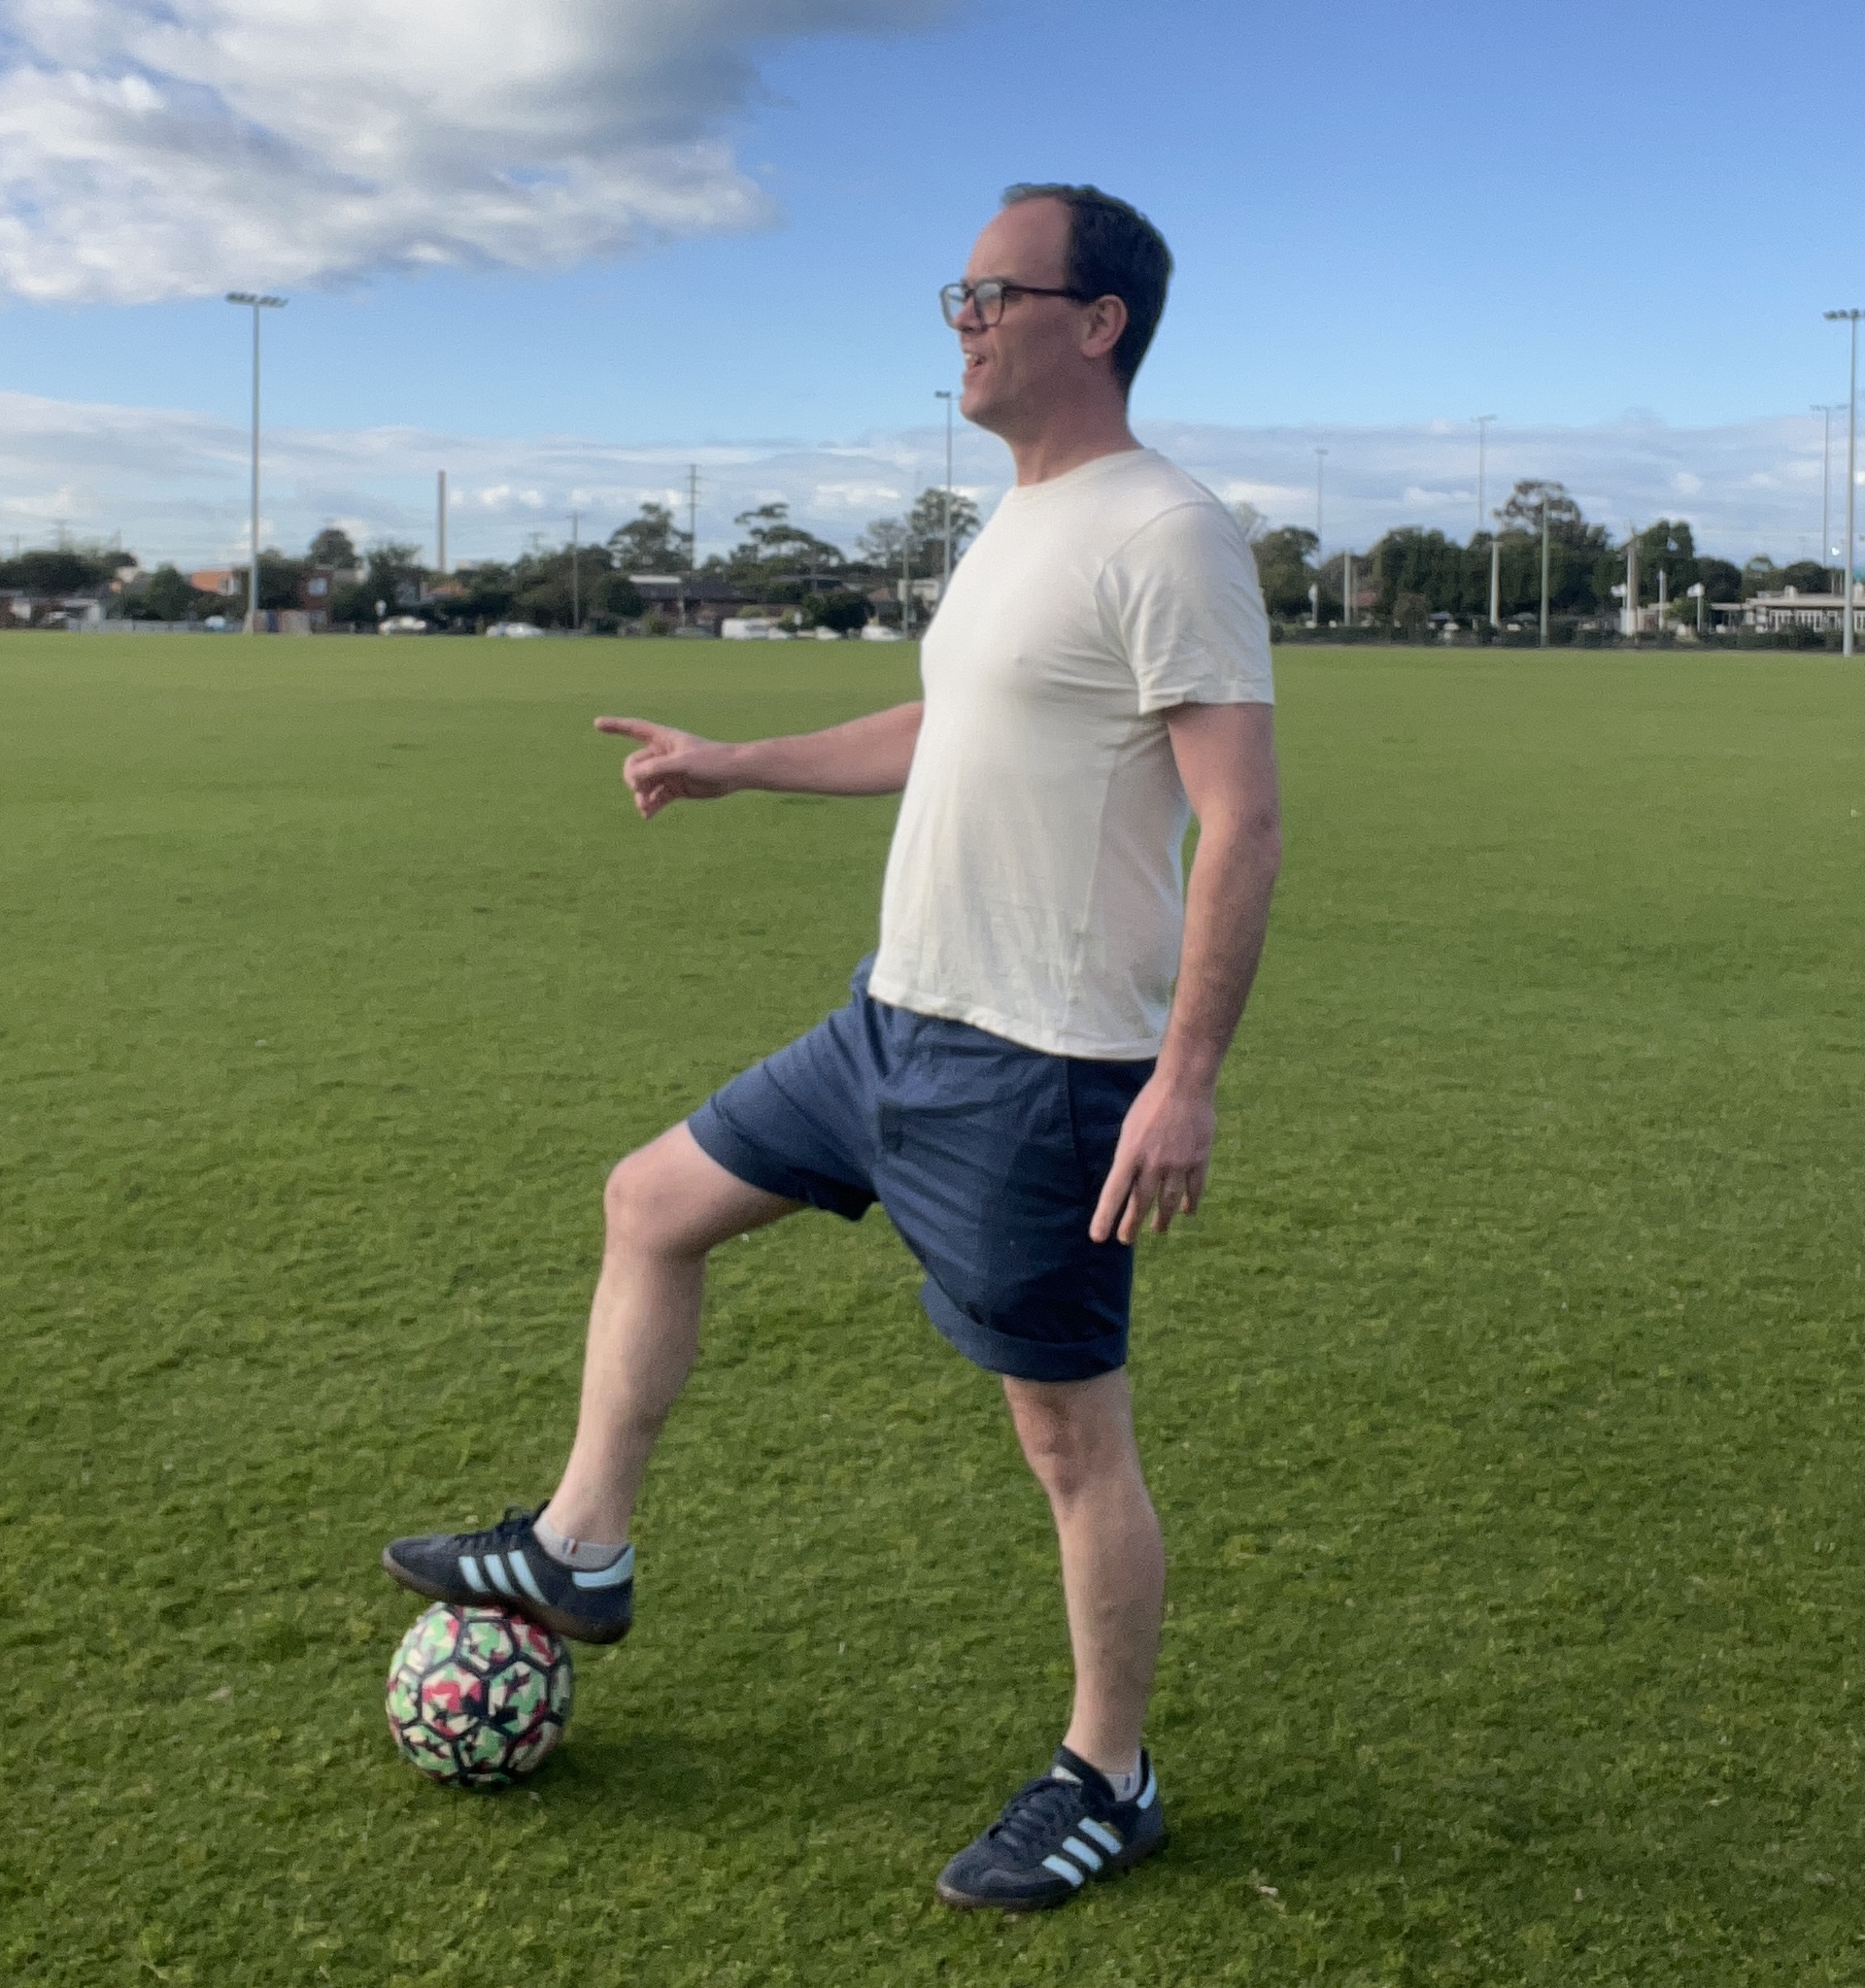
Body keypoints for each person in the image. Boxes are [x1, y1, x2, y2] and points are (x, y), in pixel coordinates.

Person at [383, 182, 1282, 1912]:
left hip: (1041, 1070)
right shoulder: (1017, 518)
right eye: (955, 292)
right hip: (889, 1024)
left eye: (991, 291)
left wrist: (1184, 1079)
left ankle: (1112, 1773)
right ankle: (581, 1554)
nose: (959, 318)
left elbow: (1238, 821)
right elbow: (944, 728)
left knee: (1069, 1440)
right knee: (649, 1202)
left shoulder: (1167, 530)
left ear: (1095, 322)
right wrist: (735, 759)